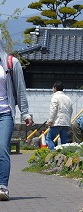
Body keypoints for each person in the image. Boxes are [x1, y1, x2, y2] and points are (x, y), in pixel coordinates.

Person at [0, 43, 33, 201]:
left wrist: (25, 113)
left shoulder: (11, 63)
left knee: (2, 149)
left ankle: (2, 187)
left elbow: (20, 89)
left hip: (5, 113)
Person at [46, 81, 73, 150]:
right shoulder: (68, 98)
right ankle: (64, 155)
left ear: (55, 88)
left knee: (49, 138)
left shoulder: (55, 97)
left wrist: (50, 120)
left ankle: (52, 154)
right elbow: (71, 110)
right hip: (66, 122)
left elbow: (53, 110)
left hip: (57, 122)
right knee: (64, 141)